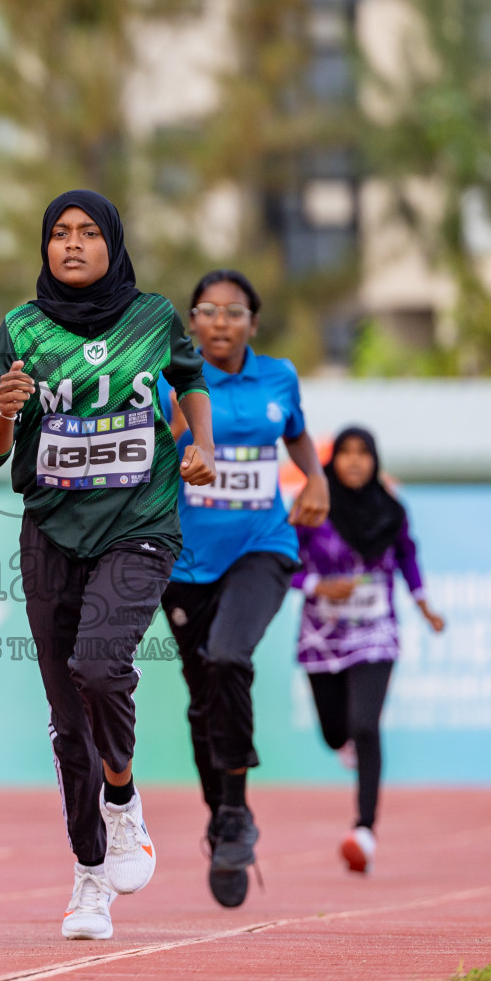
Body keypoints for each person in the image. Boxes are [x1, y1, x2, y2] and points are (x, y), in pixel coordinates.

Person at [0, 190, 216, 941]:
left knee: (101, 666)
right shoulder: (20, 328)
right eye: (59, 234)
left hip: (140, 522)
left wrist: (199, 443)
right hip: (51, 530)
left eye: (87, 233)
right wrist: (8, 412)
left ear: (113, 242)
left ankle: (124, 801)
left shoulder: (153, 316)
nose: (72, 244)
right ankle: (89, 879)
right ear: (43, 248)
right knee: (64, 722)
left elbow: (191, 379)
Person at [157, 269, 328, 908]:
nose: (221, 322)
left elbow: (298, 435)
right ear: (192, 323)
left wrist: (316, 479)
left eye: (235, 312)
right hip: (185, 562)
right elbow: (147, 455)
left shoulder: (278, 378)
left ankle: (233, 815)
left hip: (262, 548)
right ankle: (226, 813)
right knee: (204, 698)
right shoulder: (170, 382)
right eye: (208, 310)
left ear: (254, 323)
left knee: (229, 656)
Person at [293, 427, 445, 875]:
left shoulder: (391, 510)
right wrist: (321, 585)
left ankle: (364, 830)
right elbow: (283, 562)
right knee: (335, 733)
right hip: (321, 634)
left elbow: (407, 556)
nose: (355, 462)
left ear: (375, 461)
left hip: (377, 631)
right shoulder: (309, 505)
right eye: (346, 453)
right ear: (332, 460)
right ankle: (345, 744)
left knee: (366, 725)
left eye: (364, 454)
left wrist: (424, 605)